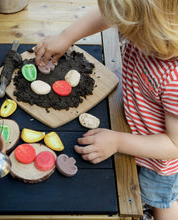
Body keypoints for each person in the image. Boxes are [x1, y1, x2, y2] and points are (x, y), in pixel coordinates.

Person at [34, 1, 178, 219]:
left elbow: (174, 145)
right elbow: (110, 15)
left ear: (151, 28)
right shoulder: (150, 29)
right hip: (135, 124)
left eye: (127, 28)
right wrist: (67, 36)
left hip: (158, 162)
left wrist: (119, 142)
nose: (120, 29)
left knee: (162, 201)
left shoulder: (174, 80)